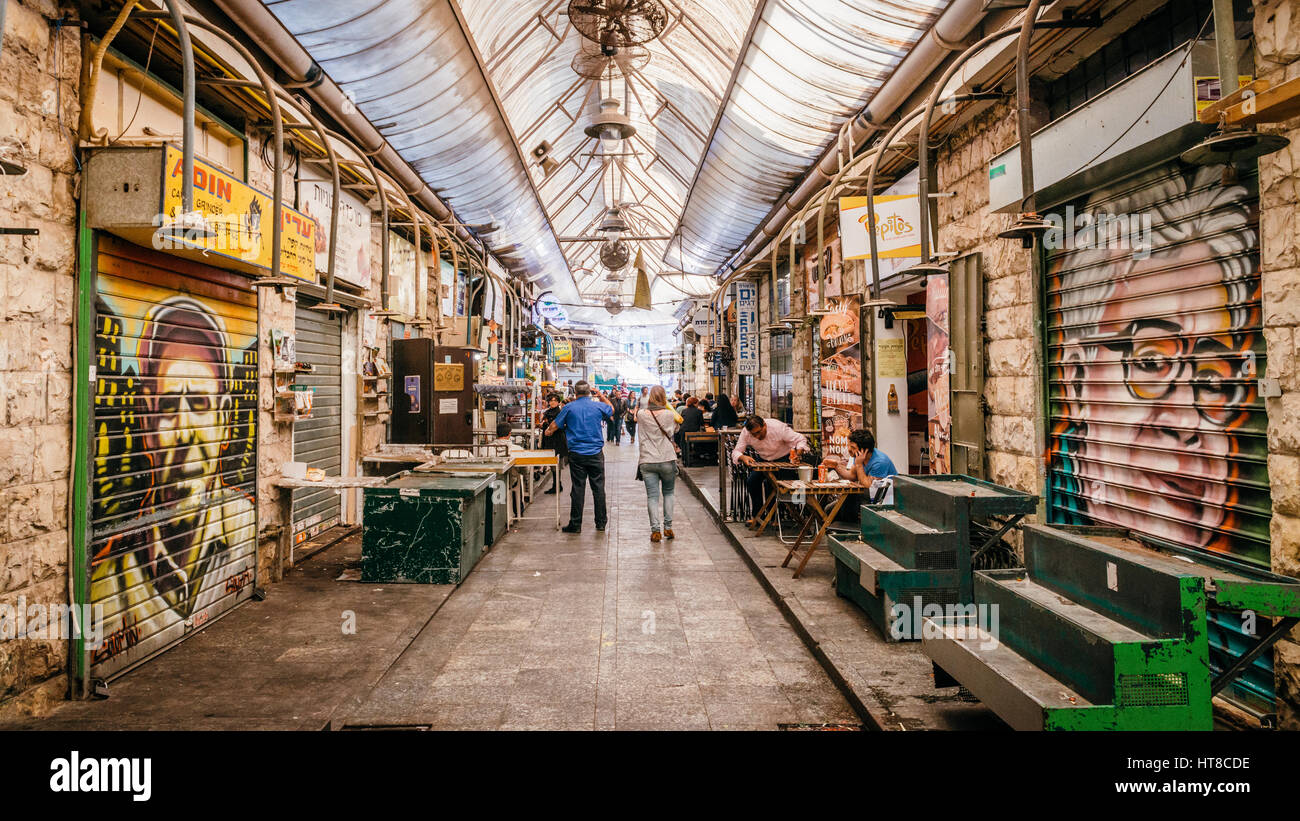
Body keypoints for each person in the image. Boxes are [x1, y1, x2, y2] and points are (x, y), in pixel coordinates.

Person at [90, 296, 256, 668]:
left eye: (198, 404)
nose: (184, 433)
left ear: (225, 419)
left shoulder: (246, 527)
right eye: (167, 407)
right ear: (147, 423)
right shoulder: (107, 588)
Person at [546, 381, 614, 533]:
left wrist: (547, 432)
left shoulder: (569, 407)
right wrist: (601, 395)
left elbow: (554, 426)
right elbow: (612, 409)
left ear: (575, 393)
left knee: (577, 489)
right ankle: (601, 523)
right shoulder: (597, 405)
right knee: (598, 489)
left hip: (576, 454)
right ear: (590, 392)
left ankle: (576, 524)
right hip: (596, 454)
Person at [731, 414, 811, 527]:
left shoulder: (778, 428)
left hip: (783, 457)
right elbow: (736, 451)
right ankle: (758, 515)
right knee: (752, 482)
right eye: (754, 434)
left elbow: (800, 439)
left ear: (764, 425)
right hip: (763, 459)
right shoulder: (746, 432)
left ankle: (776, 517)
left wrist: (798, 453)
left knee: (774, 486)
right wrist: (743, 457)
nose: (757, 436)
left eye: (759, 432)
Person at [637, 386, 682, 543]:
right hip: (667, 458)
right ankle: (668, 527)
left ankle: (655, 531)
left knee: (652, 497)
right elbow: (675, 429)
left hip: (647, 460)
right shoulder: (670, 414)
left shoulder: (641, 414)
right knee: (668, 493)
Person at [539, 392, 567, 494]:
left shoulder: (560, 412)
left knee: (557, 464)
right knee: (552, 464)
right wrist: (542, 424)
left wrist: (549, 426)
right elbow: (543, 424)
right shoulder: (546, 412)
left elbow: (562, 426)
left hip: (558, 440)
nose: (553, 402)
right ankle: (556, 485)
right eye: (551, 400)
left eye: (555, 400)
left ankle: (557, 485)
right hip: (548, 440)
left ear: (559, 402)